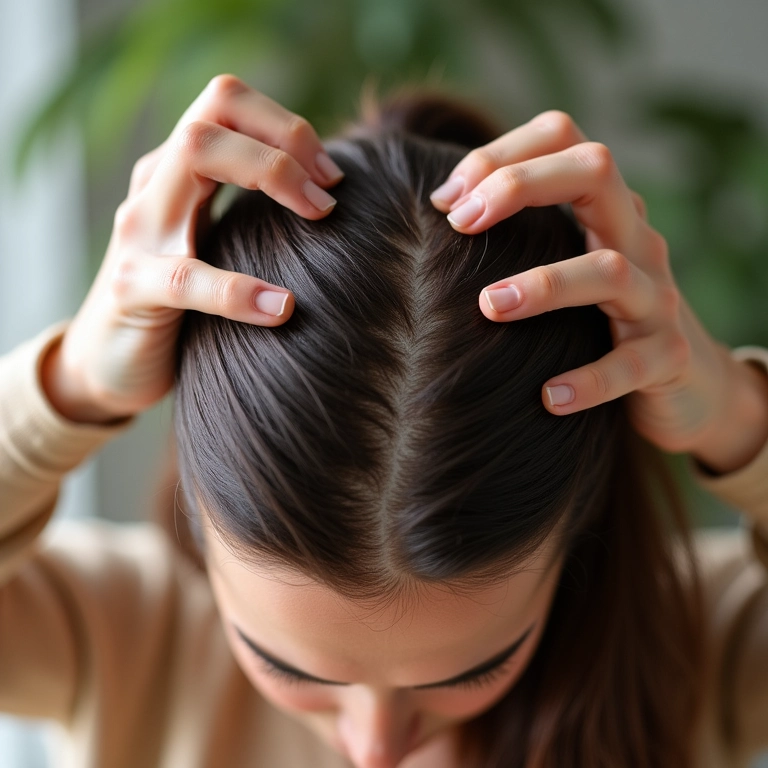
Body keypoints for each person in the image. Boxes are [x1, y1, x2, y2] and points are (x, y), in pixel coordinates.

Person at [1, 75, 767, 768]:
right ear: (200, 525)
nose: (374, 748)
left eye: (472, 670)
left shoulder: (703, 658)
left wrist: (736, 414)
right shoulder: (117, 642)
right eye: (290, 668)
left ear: (574, 538)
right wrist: (70, 388)